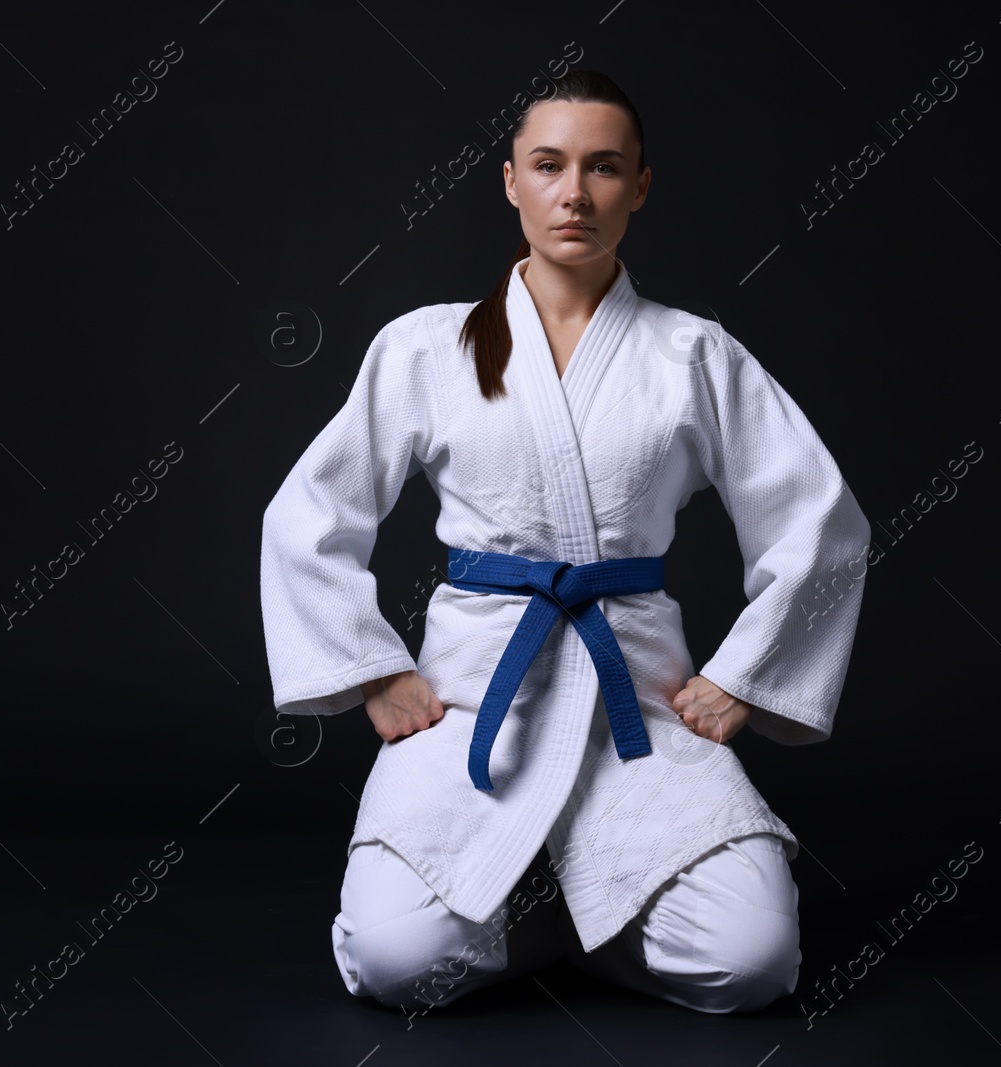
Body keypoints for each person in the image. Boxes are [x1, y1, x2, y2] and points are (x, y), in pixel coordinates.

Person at [259, 69, 872, 1016]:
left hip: (638, 703)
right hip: (470, 702)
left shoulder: (691, 353)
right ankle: (559, 914)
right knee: (392, 962)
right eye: (548, 165)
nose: (574, 193)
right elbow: (307, 515)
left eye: (603, 167)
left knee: (750, 963)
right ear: (511, 181)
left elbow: (818, 522)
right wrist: (373, 670)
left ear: (640, 185)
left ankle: (561, 923)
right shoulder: (427, 347)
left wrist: (746, 674)